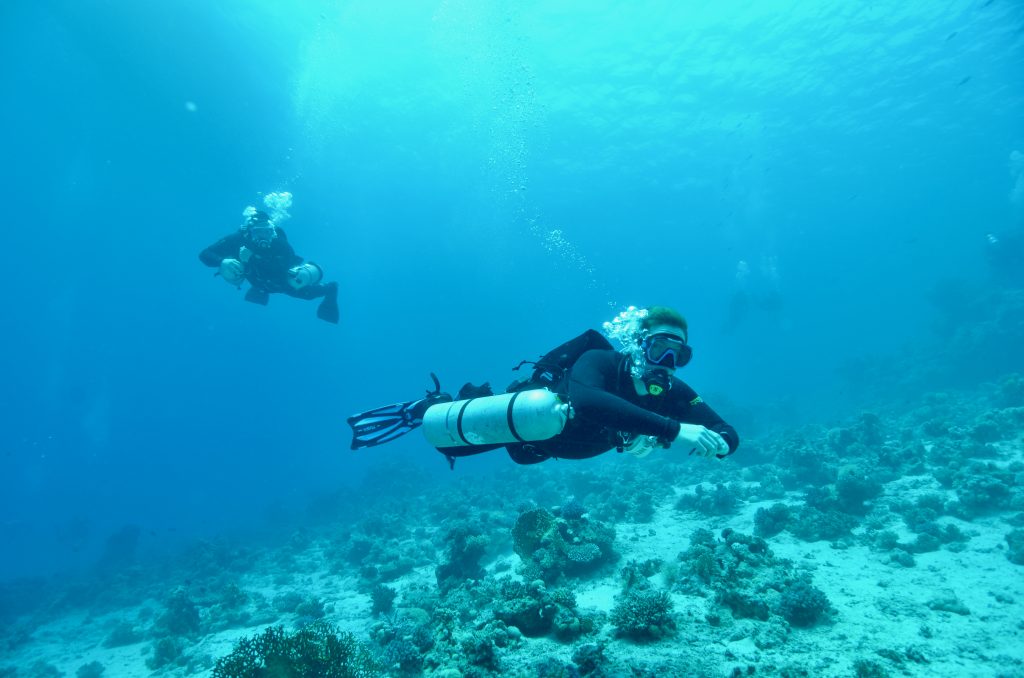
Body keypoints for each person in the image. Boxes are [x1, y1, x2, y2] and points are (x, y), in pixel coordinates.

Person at [348, 306, 738, 465]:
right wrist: (673, 430)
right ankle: (427, 407)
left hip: (542, 449)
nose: (666, 362)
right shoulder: (601, 361)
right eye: (659, 348)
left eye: (677, 354)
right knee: (449, 441)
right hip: (530, 422)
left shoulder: (672, 392)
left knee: (509, 451)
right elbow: (588, 401)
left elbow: (726, 431)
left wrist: (719, 443)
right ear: (638, 344)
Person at [199, 207, 340, 323]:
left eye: (267, 231)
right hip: (256, 280)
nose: (263, 236)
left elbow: (284, 269)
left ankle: (331, 288)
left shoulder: (279, 242)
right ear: (249, 232)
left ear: (272, 230)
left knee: (306, 294)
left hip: (281, 282)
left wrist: (252, 258)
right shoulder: (237, 240)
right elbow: (205, 254)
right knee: (251, 280)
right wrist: (222, 261)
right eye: (257, 232)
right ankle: (261, 290)